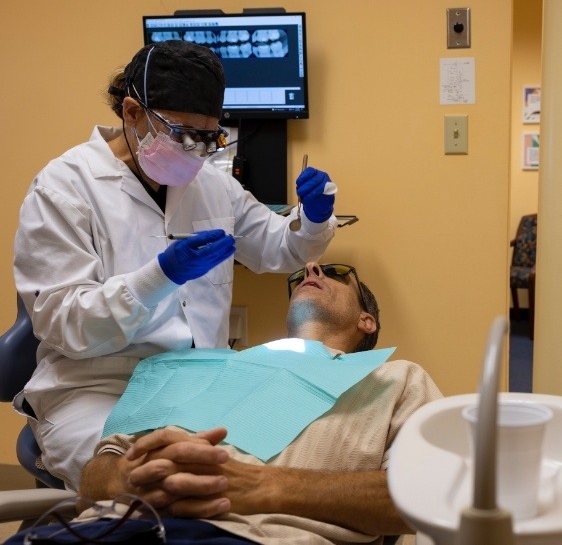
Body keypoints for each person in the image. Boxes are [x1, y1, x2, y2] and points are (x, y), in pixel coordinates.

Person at [12, 40, 337, 492]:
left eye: (209, 136)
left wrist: (314, 219)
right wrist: (157, 277)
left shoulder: (211, 185)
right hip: (98, 389)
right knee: (165, 481)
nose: (196, 149)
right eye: (183, 132)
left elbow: (278, 248)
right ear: (131, 112)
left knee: (296, 452)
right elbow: (64, 323)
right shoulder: (64, 188)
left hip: (203, 383)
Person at [73, 262, 443, 545]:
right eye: (302, 274)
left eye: (335, 273)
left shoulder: (395, 380)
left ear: (367, 321)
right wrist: (124, 477)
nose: (311, 269)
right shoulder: (200, 366)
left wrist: (264, 486)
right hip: (113, 528)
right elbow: (95, 475)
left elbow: (427, 495)